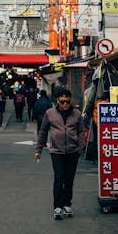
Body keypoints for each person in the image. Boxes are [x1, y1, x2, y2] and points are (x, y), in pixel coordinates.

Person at [34, 87, 85, 220]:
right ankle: (57, 206)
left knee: (69, 180)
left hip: (73, 152)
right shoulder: (50, 113)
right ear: (57, 100)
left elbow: (81, 131)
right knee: (59, 178)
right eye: (62, 102)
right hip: (56, 151)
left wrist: (80, 147)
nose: (65, 105)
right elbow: (43, 131)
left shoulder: (77, 114)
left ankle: (67, 204)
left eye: (67, 102)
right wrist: (39, 149)